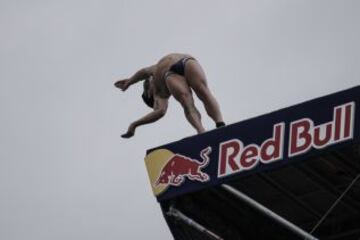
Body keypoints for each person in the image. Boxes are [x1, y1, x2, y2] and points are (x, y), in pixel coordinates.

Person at [114, 53, 225, 138]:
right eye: (147, 88)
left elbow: (142, 72)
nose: (148, 82)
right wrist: (134, 124)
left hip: (187, 62)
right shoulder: (159, 95)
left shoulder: (153, 70)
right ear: (149, 94)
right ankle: (201, 131)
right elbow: (159, 112)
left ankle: (220, 124)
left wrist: (129, 82)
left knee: (204, 92)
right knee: (187, 102)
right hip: (173, 74)